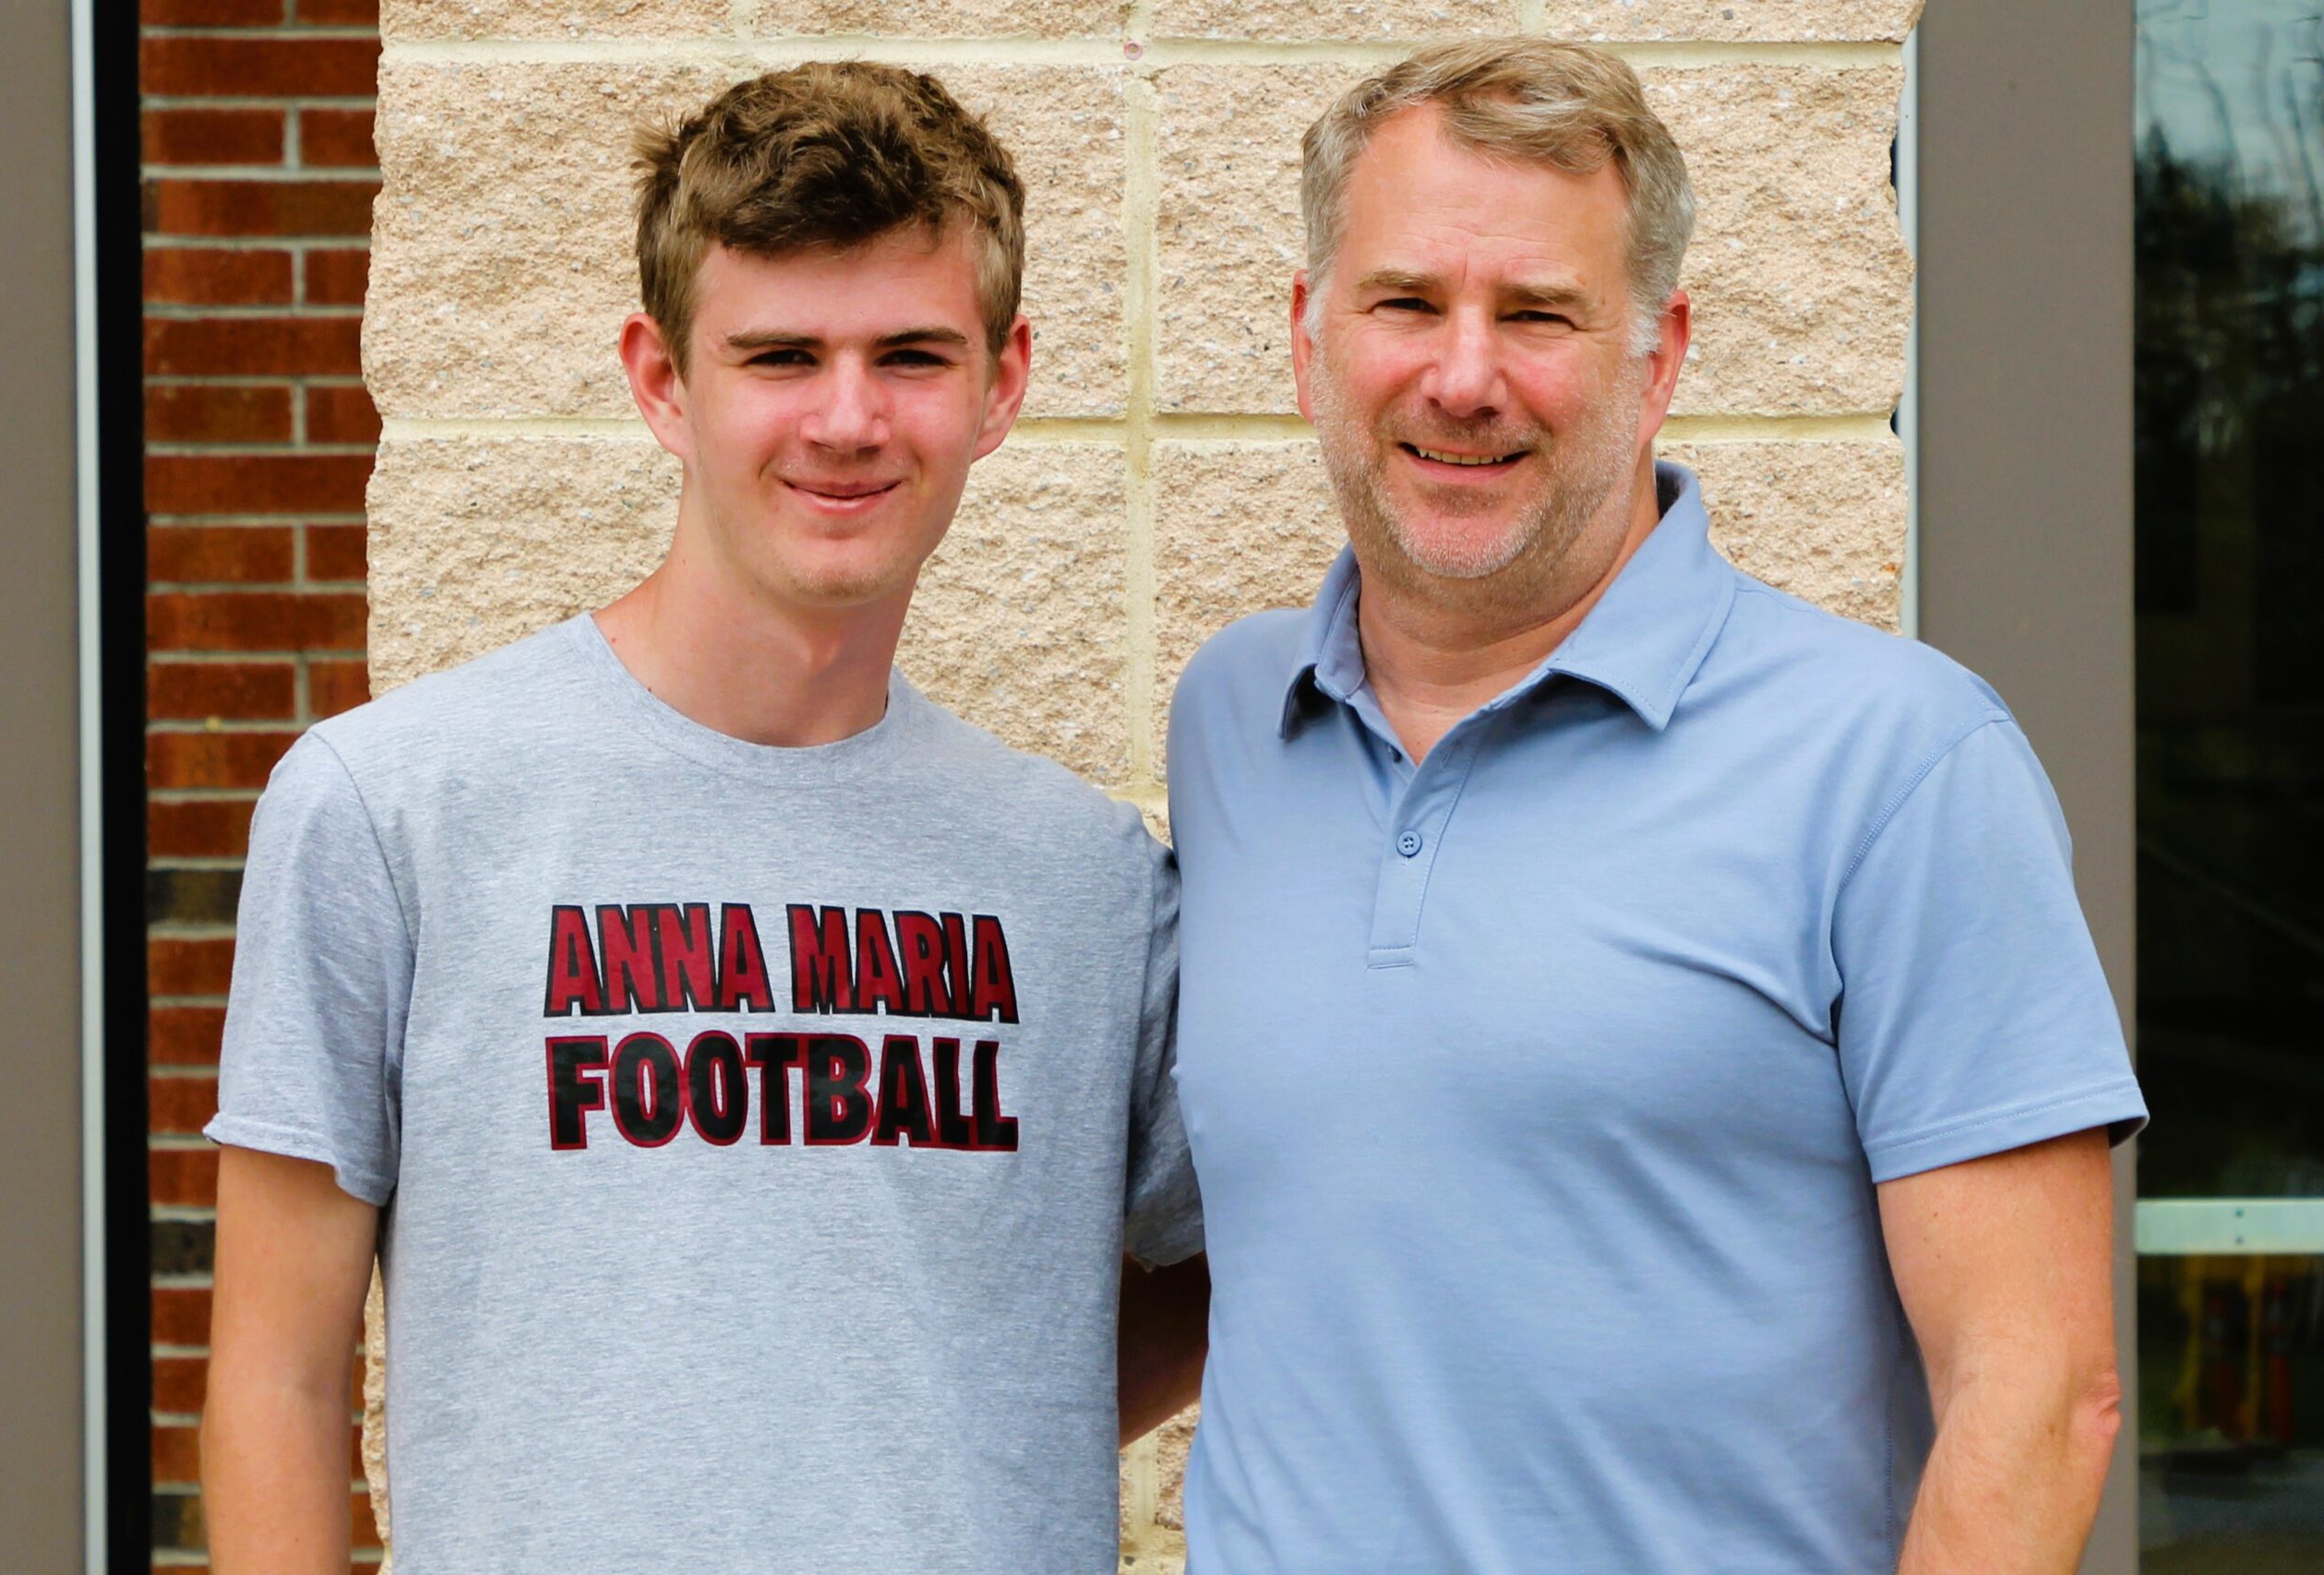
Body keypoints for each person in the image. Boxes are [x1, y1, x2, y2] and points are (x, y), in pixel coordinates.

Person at [199, 62, 1204, 1575]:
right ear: (664, 380)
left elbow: (1251, 1261)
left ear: (1003, 383)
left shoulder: (1089, 880)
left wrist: (944, 1424)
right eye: (782, 354)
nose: (850, 418)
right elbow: (276, 1377)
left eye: (912, 354)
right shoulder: (390, 804)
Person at [1164, 38, 2147, 1573]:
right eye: (1407, 302)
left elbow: (2036, 1398)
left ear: (1659, 353)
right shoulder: (1235, 724)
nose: (1465, 375)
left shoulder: (1895, 764)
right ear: (1307, 335)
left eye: (1540, 314)